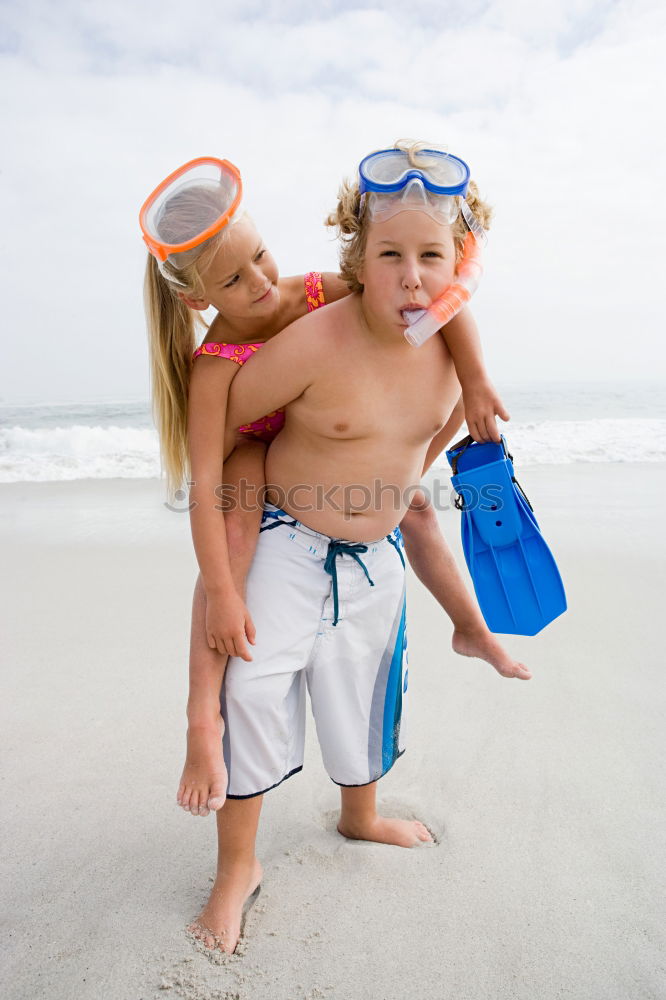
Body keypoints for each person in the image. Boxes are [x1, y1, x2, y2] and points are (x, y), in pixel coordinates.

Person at [172, 141, 532, 953]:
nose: (411, 277)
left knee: (363, 686)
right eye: (390, 256)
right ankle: (237, 867)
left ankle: (360, 813)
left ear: (458, 264)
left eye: (431, 257)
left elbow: (427, 441)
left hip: (374, 555)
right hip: (285, 539)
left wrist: (409, 467)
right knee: (256, 692)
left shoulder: (450, 348)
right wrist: (248, 507)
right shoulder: (305, 341)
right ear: (357, 262)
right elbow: (226, 439)